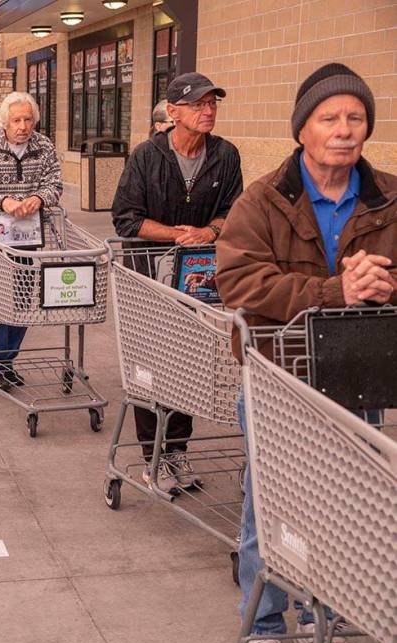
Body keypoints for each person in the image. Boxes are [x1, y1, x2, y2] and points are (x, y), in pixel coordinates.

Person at [217, 63, 395, 643]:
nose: (343, 129)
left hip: (358, 371)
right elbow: (239, 282)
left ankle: (328, 617)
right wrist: (333, 291)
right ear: (302, 130)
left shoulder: (390, 198)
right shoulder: (263, 200)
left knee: (346, 506)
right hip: (278, 373)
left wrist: (381, 281)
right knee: (269, 502)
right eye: (329, 118)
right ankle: (266, 626)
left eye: (356, 117)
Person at [110, 72, 243, 493]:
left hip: (198, 280)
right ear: (173, 111)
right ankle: (153, 459)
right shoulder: (146, 156)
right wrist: (176, 233)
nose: (208, 111)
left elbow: (232, 210)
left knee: (188, 362)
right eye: (199, 104)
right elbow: (125, 218)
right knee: (152, 364)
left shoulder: (225, 156)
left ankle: (176, 454)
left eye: (213, 103)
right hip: (148, 278)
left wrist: (211, 233)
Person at [0, 91, 62, 389]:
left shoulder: (44, 147)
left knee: (22, 302)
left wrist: (37, 198)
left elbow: (54, 185)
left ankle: (5, 361)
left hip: (30, 239)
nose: (22, 126)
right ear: (5, 121)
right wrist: (1, 201)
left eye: (28, 119)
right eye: (17, 120)